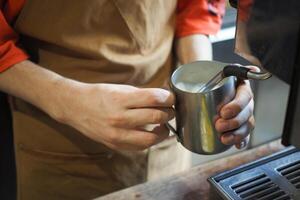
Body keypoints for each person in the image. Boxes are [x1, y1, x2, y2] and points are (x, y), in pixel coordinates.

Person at [0, 0, 255, 199]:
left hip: (168, 140)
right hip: (64, 148)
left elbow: (193, 8)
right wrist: (67, 102)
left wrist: (204, 84)